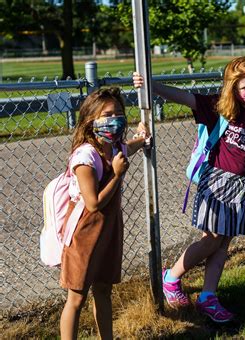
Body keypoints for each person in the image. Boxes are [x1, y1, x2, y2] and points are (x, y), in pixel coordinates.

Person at [133, 56, 245, 323]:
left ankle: (208, 296)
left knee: (223, 243)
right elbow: (185, 97)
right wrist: (152, 85)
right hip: (216, 183)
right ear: (232, 88)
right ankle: (171, 278)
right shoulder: (218, 107)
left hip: (243, 187)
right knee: (211, 238)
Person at [59, 87, 150, 339]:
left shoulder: (113, 144)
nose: (115, 119)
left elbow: (127, 147)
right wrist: (118, 175)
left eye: (119, 113)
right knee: (76, 297)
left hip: (109, 228)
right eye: (107, 114)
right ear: (91, 121)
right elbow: (93, 204)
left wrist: (141, 139)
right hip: (84, 233)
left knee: (103, 290)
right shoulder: (85, 157)